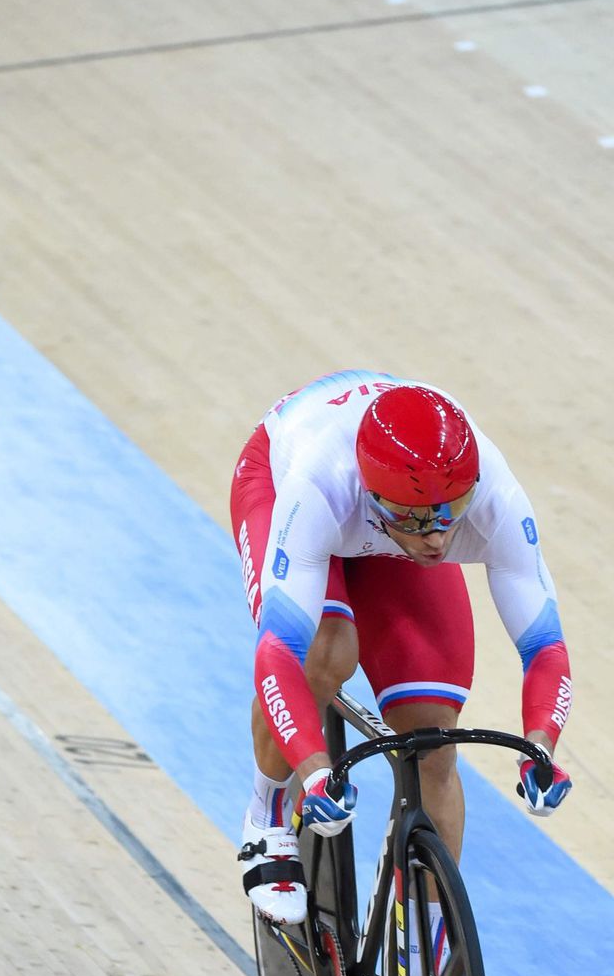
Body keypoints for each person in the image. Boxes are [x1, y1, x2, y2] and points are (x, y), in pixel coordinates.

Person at [232, 371, 572, 925]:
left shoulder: (488, 496)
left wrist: (541, 745)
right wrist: (316, 772)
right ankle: (266, 815)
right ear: (373, 494)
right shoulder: (321, 481)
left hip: (385, 532)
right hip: (282, 484)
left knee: (432, 735)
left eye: (451, 513)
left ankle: (427, 947)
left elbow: (545, 648)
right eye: (420, 521)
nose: (438, 537)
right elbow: (276, 656)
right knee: (324, 653)